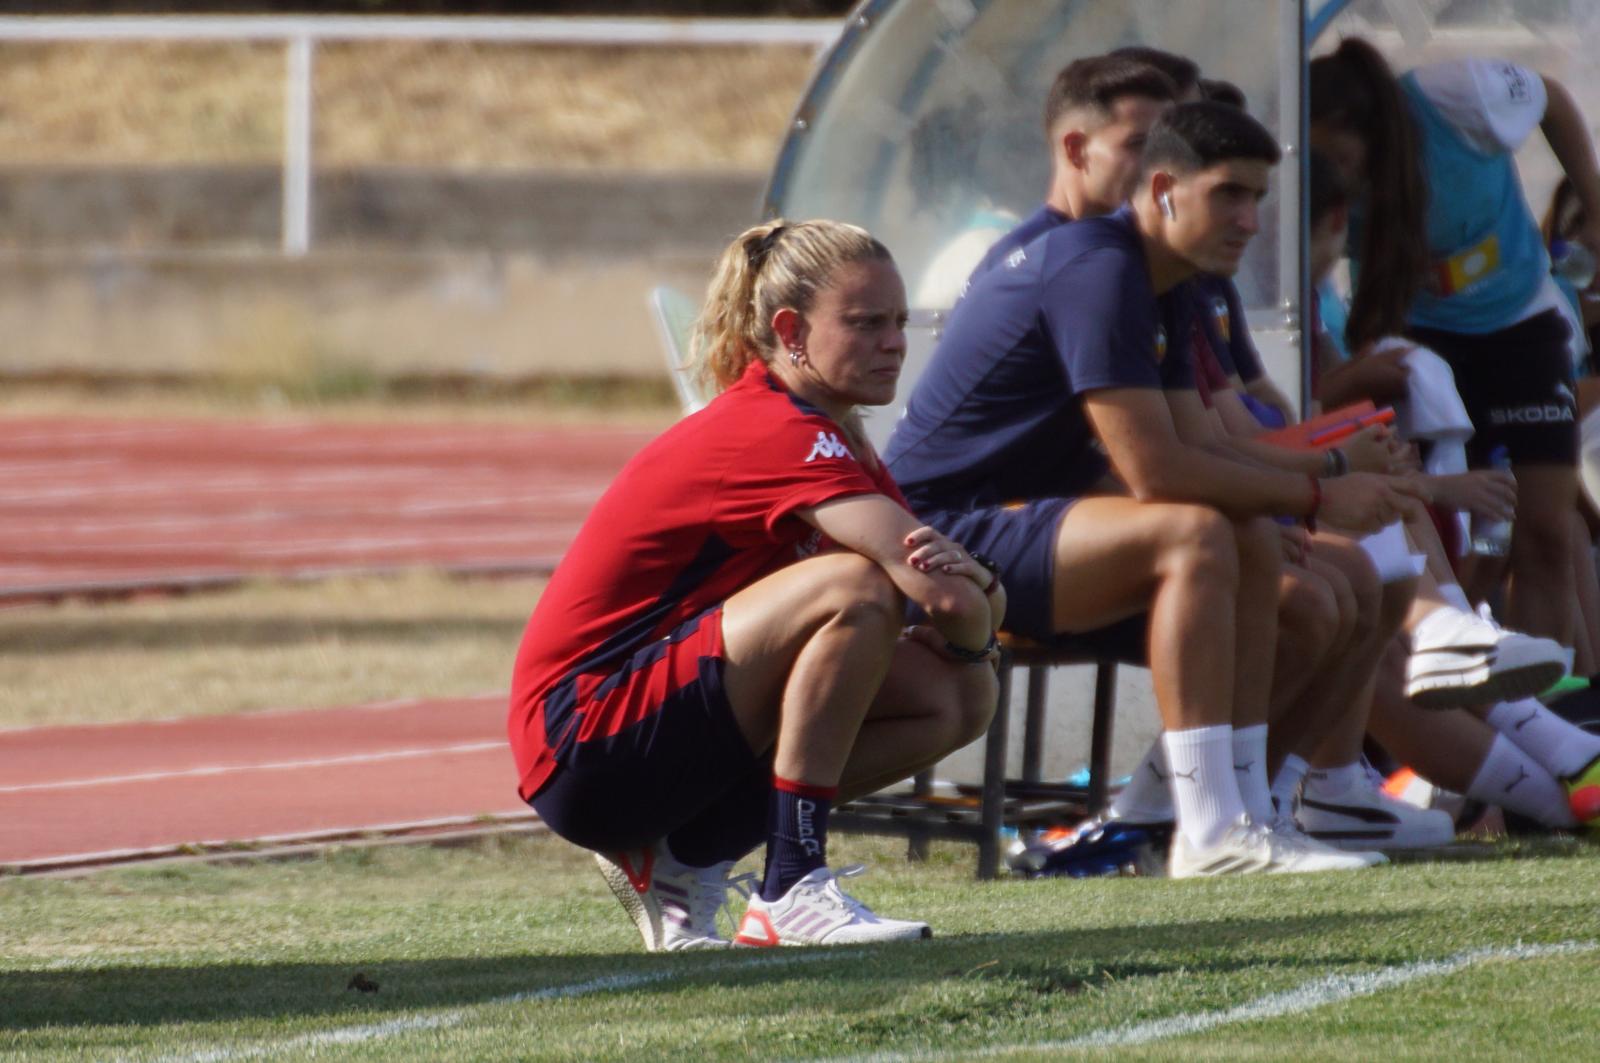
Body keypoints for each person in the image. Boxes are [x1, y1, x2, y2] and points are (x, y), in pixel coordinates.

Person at [887, 101, 1430, 877]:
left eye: (1257, 199)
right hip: (942, 540)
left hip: (1039, 529)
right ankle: (1208, 830)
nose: (1248, 219)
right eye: (1229, 195)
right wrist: (1322, 490)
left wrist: (1330, 473)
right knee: (1201, 531)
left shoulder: (1170, 279)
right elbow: (1160, 475)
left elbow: (1203, 445)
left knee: (1330, 581)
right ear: (1167, 188)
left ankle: (1207, 818)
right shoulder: (1099, 267)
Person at [507, 219, 1002, 950]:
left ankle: (688, 855)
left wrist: (967, 625)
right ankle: (792, 883)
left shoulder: (836, 434)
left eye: (898, 322)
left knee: (957, 695)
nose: (894, 342)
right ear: (790, 331)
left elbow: (963, 604)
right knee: (854, 588)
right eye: (866, 323)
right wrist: (970, 614)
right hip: (586, 740)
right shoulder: (776, 426)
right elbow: (956, 600)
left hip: (646, 728)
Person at [1310, 39, 1600, 651]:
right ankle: (1445, 698)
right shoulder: (1322, 185)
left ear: (1376, 130)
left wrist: (1595, 203)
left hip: (1520, 323)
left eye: (1339, 157)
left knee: (1547, 531)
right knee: (1448, 533)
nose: (1337, 179)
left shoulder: (1453, 94)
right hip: (1418, 343)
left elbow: (1548, 97)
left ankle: (1546, 712)